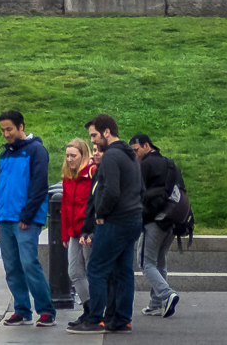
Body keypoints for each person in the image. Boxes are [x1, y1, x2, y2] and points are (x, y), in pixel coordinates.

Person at [72, 114, 143, 334]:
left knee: (96, 268)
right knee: (123, 270)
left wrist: (100, 213)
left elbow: (111, 190)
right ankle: (122, 319)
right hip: (133, 218)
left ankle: (95, 319)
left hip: (115, 220)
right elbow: (140, 189)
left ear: (106, 132)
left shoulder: (112, 156)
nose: (92, 140)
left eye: (94, 135)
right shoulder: (129, 155)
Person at [0, 108, 54, 326]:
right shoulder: (5, 154)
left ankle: (45, 309)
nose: (6, 134)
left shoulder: (37, 151)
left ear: (21, 127)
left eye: (9, 129)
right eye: (2, 130)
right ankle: (22, 309)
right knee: (11, 267)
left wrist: (27, 215)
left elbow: (39, 186)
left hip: (26, 219)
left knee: (29, 263)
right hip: (5, 218)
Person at [131, 134, 182, 320]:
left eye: (136, 150)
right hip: (172, 220)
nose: (135, 154)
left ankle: (167, 294)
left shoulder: (145, 165)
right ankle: (156, 304)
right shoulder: (170, 163)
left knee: (145, 262)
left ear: (146, 145)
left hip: (152, 221)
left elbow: (137, 192)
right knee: (160, 261)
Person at [58, 137, 97, 312]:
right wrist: (64, 234)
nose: (69, 159)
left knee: (91, 269)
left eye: (73, 155)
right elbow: (65, 206)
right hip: (74, 231)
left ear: (83, 155)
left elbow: (94, 204)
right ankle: (89, 306)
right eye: (67, 155)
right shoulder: (68, 178)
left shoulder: (91, 175)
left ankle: (97, 309)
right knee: (74, 271)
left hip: (88, 231)